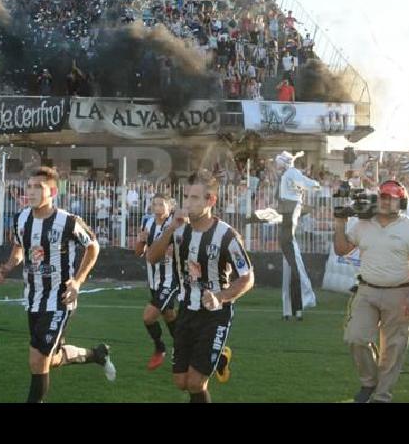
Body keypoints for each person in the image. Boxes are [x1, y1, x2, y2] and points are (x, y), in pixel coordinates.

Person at [0, 166, 116, 403]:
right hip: (33, 298)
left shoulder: (67, 221)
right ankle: (96, 354)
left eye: (37, 187)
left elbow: (93, 246)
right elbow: (19, 248)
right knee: (52, 358)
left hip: (59, 299)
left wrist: (77, 282)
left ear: (52, 191)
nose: (30, 192)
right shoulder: (21, 219)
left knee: (38, 360)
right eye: (28, 186)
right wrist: (7, 267)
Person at [146, 170, 255, 403]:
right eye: (186, 197)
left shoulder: (226, 236)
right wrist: (170, 228)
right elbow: (152, 257)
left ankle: (216, 355)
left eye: (195, 198)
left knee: (195, 382)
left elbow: (247, 277)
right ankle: (220, 358)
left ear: (210, 200)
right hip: (186, 311)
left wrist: (221, 297)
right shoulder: (178, 230)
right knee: (181, 382)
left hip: (215, 315)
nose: (188, 203)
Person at [334, 179, 409, 403]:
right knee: (356, 337)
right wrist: (340, 223)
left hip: (400, 292)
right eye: (383, 197)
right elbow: (341, 249)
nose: (386, 202)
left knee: (394, 348)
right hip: (367, 290)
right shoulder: (362, 224)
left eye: (392, 198)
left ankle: (382, 396)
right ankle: (369, 382)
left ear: (402, 202)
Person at [134, 193, 178, 370]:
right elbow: (138, 253)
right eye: (155, 204)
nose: (157, 207)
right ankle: (182, 346)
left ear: (169, 207)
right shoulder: (148, 223)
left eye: (161, 204)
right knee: (169, 315)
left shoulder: (175, 224)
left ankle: (160, 348)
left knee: (148, 317)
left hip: (170, 280)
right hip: (154, 281)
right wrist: (141, 240)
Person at [274, 151, 318, 321]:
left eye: (279, 162)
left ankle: (294, 307)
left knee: (292, 267)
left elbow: (306, 183)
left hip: (289, 216)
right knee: (290, 268)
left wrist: (316, 184)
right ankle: (292, 309)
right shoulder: (286, 175)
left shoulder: (292, 173)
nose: (276, 165)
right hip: (287, 216)